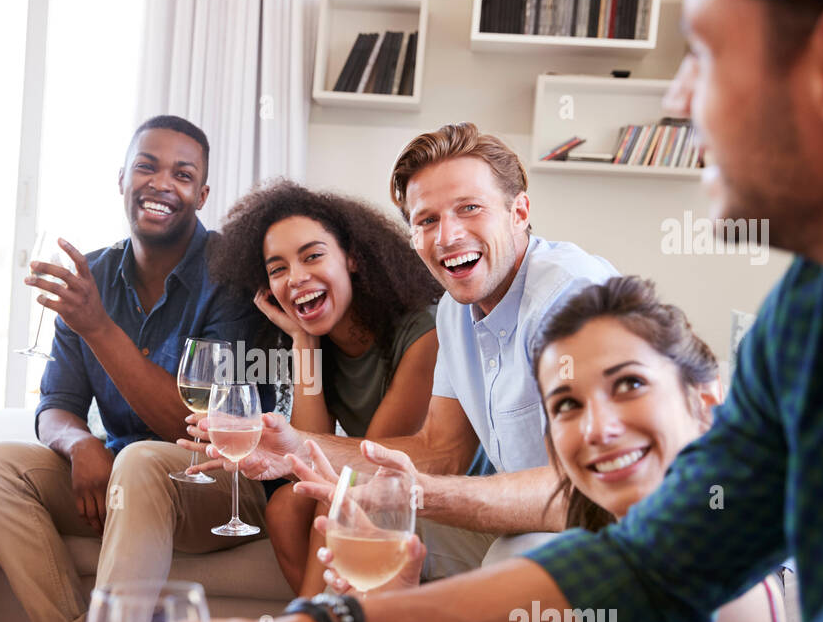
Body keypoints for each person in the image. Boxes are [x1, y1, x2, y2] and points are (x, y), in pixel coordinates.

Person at [53, 0, 823, 622]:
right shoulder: (815, 315)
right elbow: (652, 567)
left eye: (702, 52)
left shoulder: (571, 298)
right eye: (427, 218)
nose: (682, 97)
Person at [317, 277, 788, 622]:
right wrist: (397, 621)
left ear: (705, 402)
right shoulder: (589, 572)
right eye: (567, 404)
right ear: (552, 448)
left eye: (629, 383)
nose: (598, 427)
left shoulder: (713, 571)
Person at [0, 115, 263, 622]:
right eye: (147, 166)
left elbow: (196, 425)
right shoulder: (98, 273)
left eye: (182, 174)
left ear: (203, 194)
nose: (161, 184)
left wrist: (98, 326)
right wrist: (77, 441)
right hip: (123, 476)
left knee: (144, 458)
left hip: (217, 483)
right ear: (121, 179)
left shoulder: (229, 278)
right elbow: (55, 401)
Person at [187, 125, 617, 576]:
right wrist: (297, 445)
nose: (447, 237)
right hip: (518, 519)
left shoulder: (569, 295)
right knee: (358, 518)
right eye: (427, 220)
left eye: (469, 208)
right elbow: (441, 449)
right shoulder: (454, 311)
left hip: (597, 529)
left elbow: (590, 486)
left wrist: (415, 493)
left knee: (499, 560)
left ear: (519, 212)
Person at [208, 179, 441, 622]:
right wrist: (303, 341)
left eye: (312, 256)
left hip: (425, 489)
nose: (295, 278)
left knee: (338, 507)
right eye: (277, 268)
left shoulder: (422, 333)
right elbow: (310, 453)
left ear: (353, 258)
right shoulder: (323, 340)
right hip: (361, 483)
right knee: (290, 506)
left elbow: (370, 463)